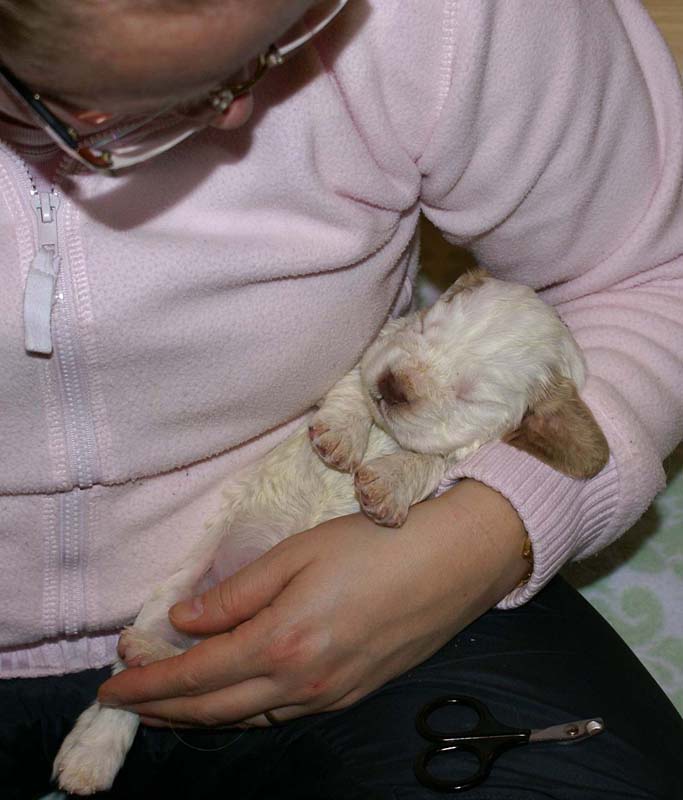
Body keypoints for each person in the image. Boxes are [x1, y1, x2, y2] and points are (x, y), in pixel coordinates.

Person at [1, 0, 682, 797]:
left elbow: (652, 274)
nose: (245, 109)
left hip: (376, 584)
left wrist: (483, 537)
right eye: (155, 96)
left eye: (290, 31)